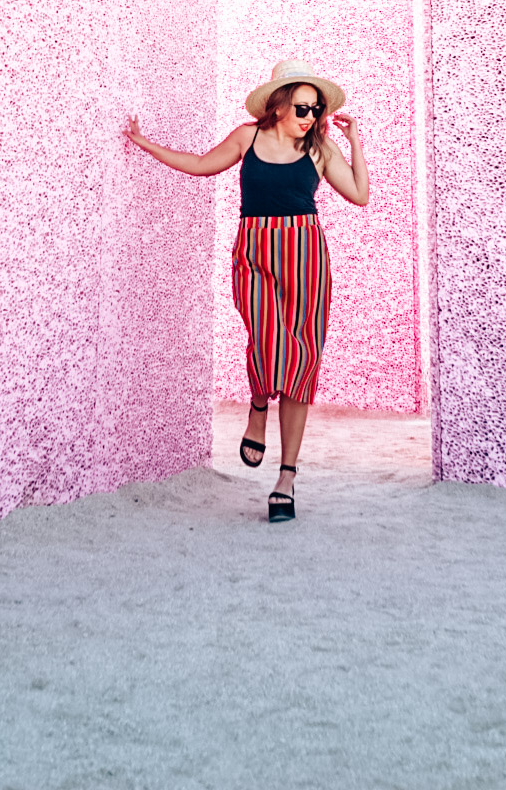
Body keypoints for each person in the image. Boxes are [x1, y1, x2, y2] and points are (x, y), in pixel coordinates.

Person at [125, 57, 369, 522]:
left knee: (302, 358)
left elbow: (360, 193)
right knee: (265, 338)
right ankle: (259, 401)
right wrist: (144, 143)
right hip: (254, 249)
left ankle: (287, 478)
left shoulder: (319, 149)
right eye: (302, 108)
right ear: (277, 106)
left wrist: (353, 140)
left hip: (306, 252)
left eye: (315, 110)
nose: (310, 118)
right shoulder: (247, 137)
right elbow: (199, 165)